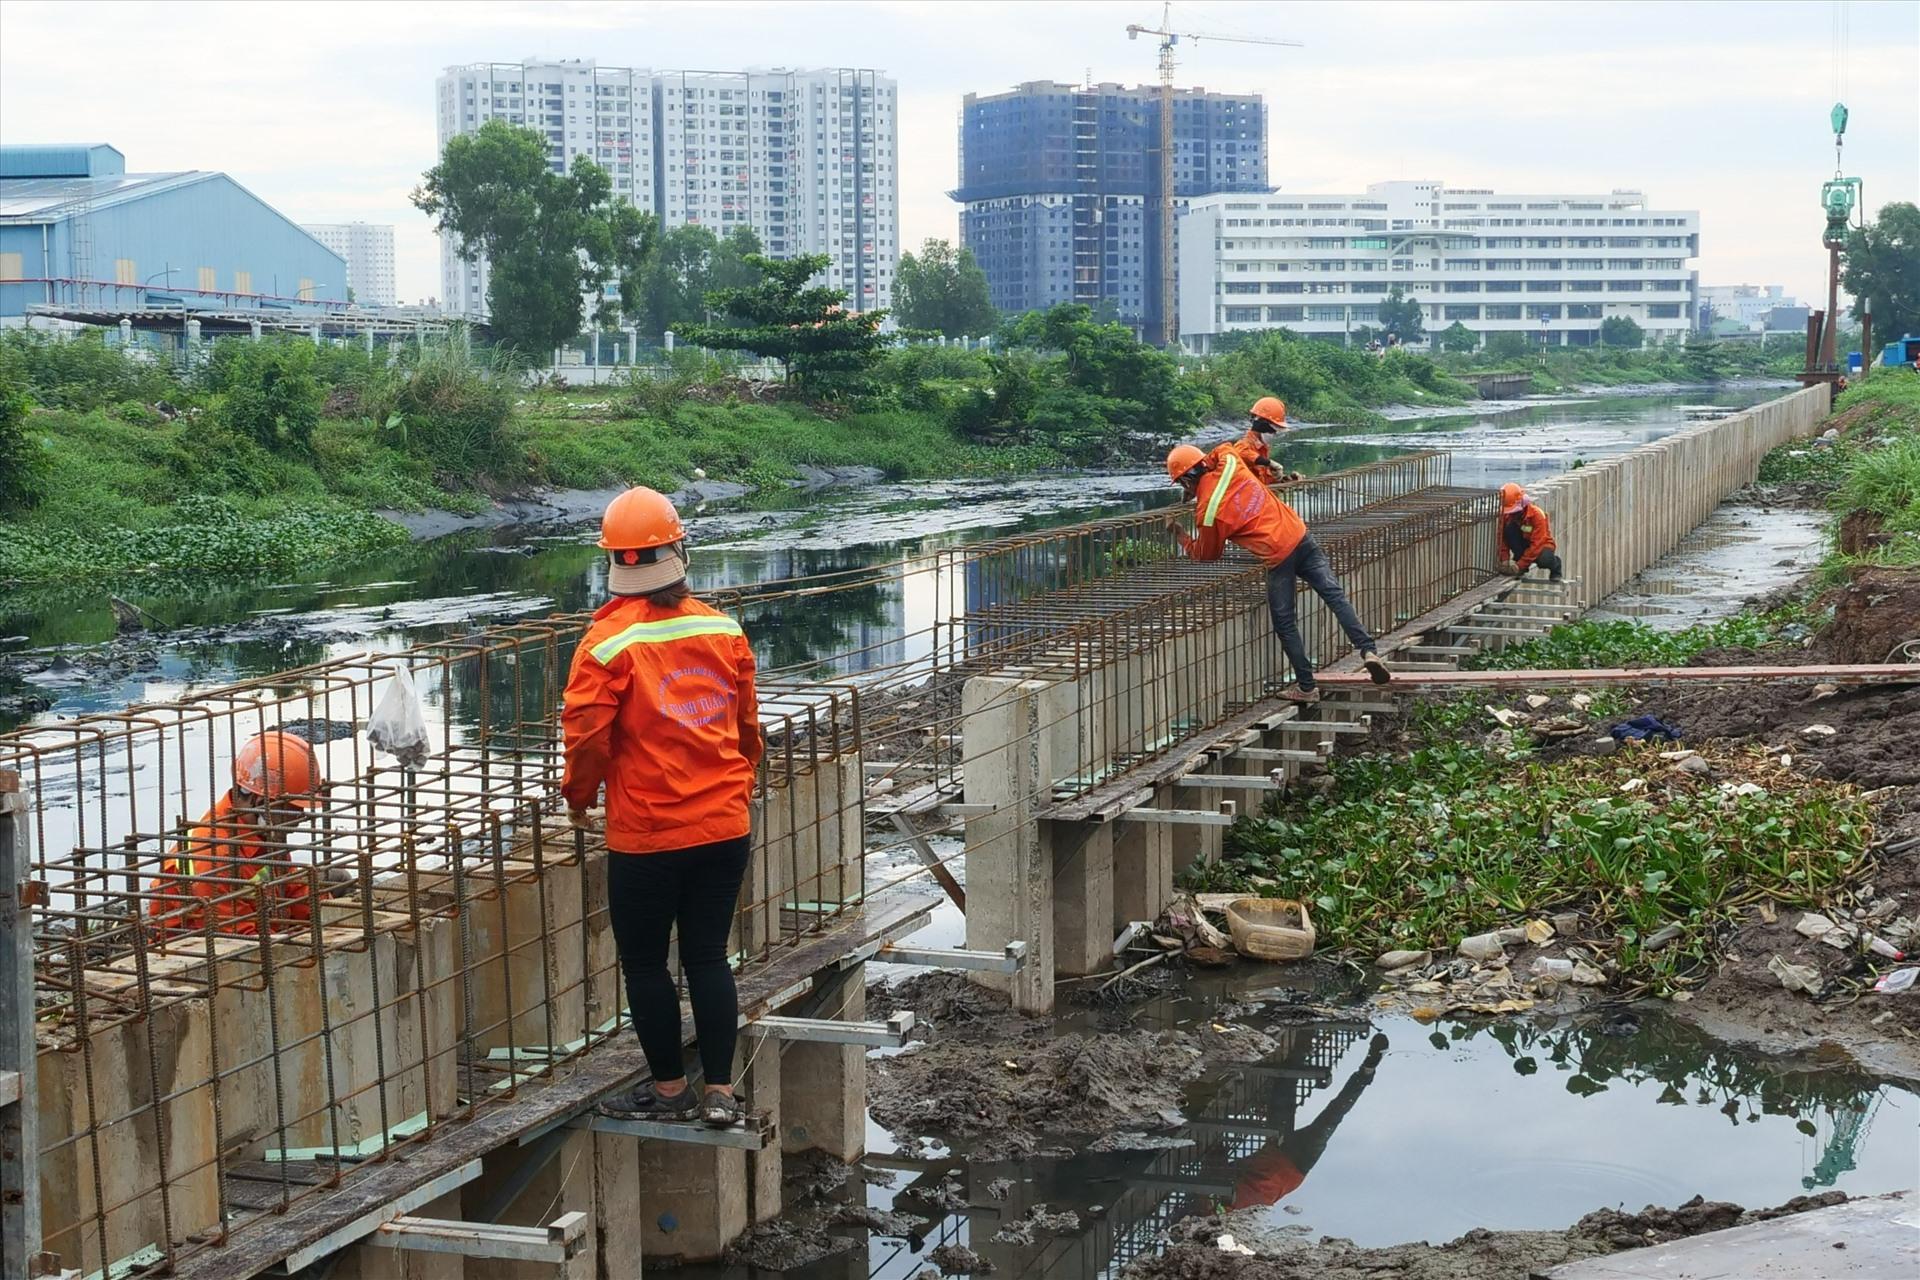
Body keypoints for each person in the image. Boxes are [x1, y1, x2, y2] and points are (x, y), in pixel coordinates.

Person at [563, 486, 762, 1128]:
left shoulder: (606, 644)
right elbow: (747, 730)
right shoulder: (721, 627)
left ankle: (671, 1089)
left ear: (616, 562)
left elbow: (587, 737)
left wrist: (579, 799)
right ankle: (722, 1092)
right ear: (678, 551)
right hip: (723, 826)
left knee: (647, 962)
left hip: (648, 836)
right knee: (707, 955)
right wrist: (733, 785)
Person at [1165, 444, 1391, 702]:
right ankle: (1368, 651)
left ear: (1184, 480)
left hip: (1278, 556)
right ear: (1202, 462)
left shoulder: (1207, 511)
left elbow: (1207, 553)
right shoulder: (1230, 463)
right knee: (1335, 596)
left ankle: (1307, 687)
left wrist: (1180, 535)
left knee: (1285, 623)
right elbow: (1224, 448)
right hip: (1300, 535)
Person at [147, 730, 322, 937]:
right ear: (260, 802)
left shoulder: (264, 833)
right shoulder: (215, 855)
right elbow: (237, 939)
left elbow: (294, 891)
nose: (299, 819)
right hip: (206, 950)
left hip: (255, 923)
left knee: (337, 881)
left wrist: (327, 915)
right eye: (293, 809)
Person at [1495, 482, 1564, 581]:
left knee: (1544, 560)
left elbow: (1537, 544)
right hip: (1523, 543)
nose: (1512, 514)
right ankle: (1521, 565)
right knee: (1509, 529)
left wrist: (1520, 565)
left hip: (1541, 545)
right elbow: (1502, 539)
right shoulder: (1507, 516)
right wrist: (1504, 559)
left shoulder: (1537, 515)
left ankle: (1556, 567)